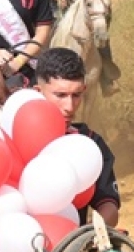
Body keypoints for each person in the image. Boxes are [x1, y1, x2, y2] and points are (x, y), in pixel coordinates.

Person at [34, 47, 120, 227]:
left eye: (76, 95)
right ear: (37, 91)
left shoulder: (91, 145)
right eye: (60, 95)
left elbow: (108, 204)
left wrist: (91, 235)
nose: (70, 106)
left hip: (71, 249)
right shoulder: (8, 137)